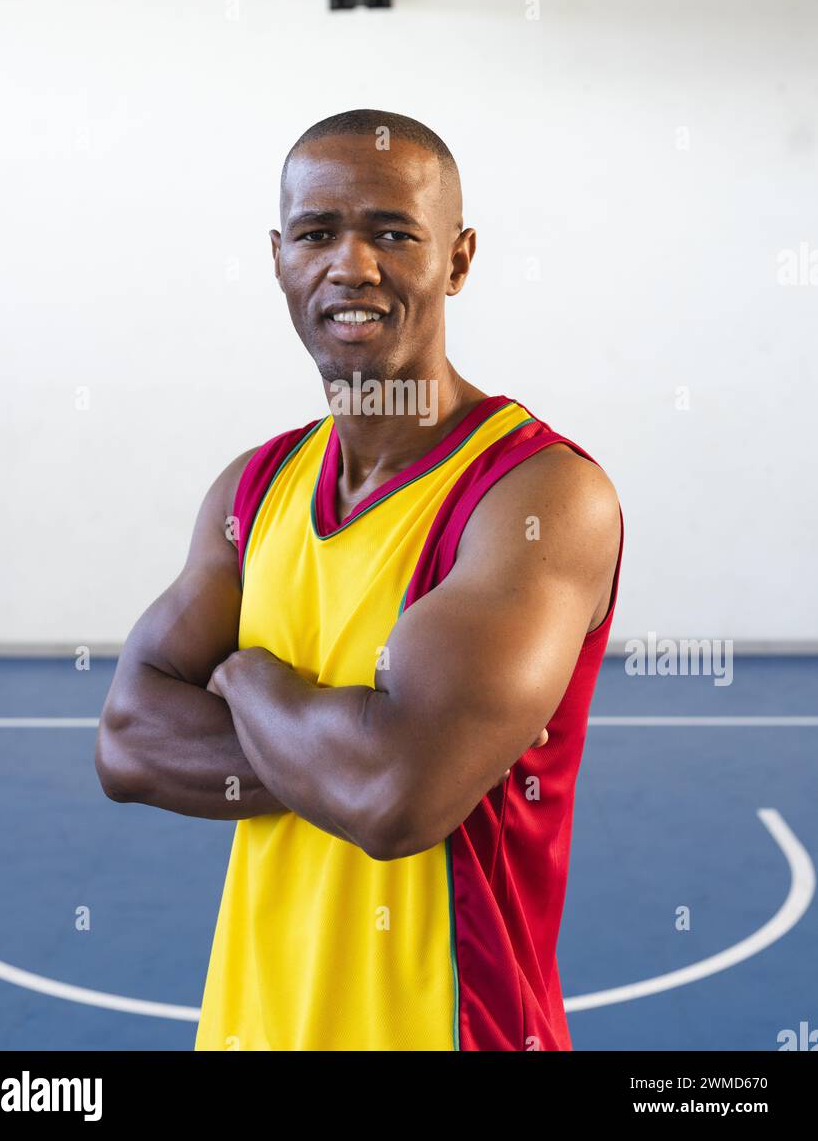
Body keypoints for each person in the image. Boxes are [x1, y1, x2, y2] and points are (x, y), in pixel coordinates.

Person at [95, 108, 624, 1051]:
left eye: (391, 233)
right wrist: (340, 740)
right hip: (249, 1030)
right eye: (316, 233)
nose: (352, 266)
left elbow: (395, 799)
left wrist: (245, 676)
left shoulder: (535, 497)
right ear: (277, 257)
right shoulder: (254, 489)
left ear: (457, 260)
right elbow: (129, 743)